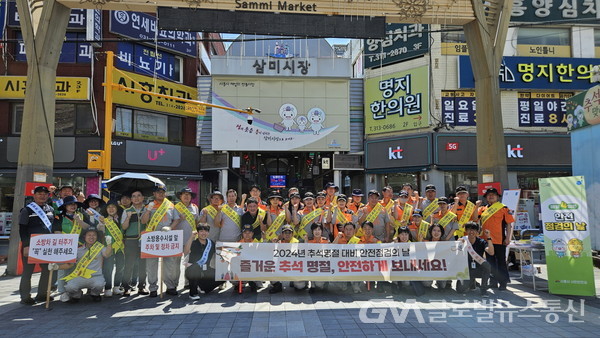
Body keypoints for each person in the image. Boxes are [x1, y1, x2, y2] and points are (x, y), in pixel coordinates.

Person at [141, 184, 181, 297]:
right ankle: (153, 288)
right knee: (151, 264)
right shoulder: (149, 205)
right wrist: (148, 210)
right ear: (154, 194)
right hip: (152, 238)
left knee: (169, 263)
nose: (160, 194)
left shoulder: (170, 205)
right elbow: (143, 221)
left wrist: (170, 227)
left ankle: (170, 286)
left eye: (162, 192)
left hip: (167, 238)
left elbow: (176, 219)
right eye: (158, 192)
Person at [19, 186, 55, 305]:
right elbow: (22, 229)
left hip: (46, 245)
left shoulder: (50, 209)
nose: (42, 196)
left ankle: (42, 294)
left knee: (46, 270)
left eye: (45, 194)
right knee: (28, 271)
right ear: (34, 195)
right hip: (31, 244)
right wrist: (25, 245)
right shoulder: (27, 210)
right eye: (39, 193)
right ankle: (25, 297)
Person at [56, 228, 113, 303]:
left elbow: (107, 254)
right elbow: (70, 265)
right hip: (79, 276)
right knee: (70, 287)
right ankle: (77, 294)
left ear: (97, 237)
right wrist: (56, 267)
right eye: (89, 235)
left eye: (94, 235)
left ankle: (95, 294)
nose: (91, 237)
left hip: (95, 276)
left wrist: (109, 244)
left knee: (99, 285)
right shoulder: (78, 249)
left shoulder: (100, 247)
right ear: (84, 237)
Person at [52, 195, 89, 296]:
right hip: (64, 246)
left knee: (76, 269)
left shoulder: (82, 215)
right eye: (70, 204)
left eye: (74, 204)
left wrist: (79, 221)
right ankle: (62, 291)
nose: (73, 206)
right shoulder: (59, 217)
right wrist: (67, 242)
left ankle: (75, 289)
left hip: (79, 247)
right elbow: (56, 231)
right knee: (63, 269)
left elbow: (88, 228)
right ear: (65, 206)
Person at [479, 188, 515, 290]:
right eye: (489, 195)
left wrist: (508, 238)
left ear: (497, 197)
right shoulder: (482, 209)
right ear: (486, 197)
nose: (491, 196)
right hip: (486, 240)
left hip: (499, 239)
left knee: (501, 262)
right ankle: (493, 282)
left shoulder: (503, 208)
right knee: (490, 263)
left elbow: (509, 225)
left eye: (493, 194)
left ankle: (503, 282)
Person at [184, 223, 223, 300]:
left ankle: (203, 288)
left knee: (223, 275)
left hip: (206, 270)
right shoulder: (194, 243)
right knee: (195, 269)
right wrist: (191, 237)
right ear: (197, 232)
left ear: (208, 233)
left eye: (206, 231)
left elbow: (220, 252)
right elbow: (186, 251)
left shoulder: (211, 243)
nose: (203, 233)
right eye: (201, 231)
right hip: (192, 270)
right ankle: (193, 293)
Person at [121, 190, 148, 296]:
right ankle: (126, 287)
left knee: (143, 265)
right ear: (131, 199)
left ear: (142, 198)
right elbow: (124, 227)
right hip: (130, 240)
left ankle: (142, 287)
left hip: (144, 240)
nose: (136, 198)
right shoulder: (127, 211)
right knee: (128, 264)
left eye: (139, 196)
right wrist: (128, 217)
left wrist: (147, 212)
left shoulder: (147, 210)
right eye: (134, 196)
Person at [456, 222, 494, 297]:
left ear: (477, 232)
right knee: (460, 290)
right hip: (466, 270)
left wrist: (489, 238)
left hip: (478, 269)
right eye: (469, 229)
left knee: (487, 265)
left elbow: (491, 252)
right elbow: (455, 253)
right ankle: (472, 282)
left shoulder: (481, 242)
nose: (471, 232)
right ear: (466, 231)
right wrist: (458, 243)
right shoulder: (462, 240)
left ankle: (483, 289)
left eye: (473, 230)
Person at [99, 199, 124, 297]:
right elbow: (99, 229)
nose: (111, 209)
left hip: (120, 247)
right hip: (108, 246)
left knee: (120, 266)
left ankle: (117, 287)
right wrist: (101, 224)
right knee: (108, 268)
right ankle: (108, 288)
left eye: (113, 207)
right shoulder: (103, 220)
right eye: (109, 207)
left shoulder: (121, 219)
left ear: (117, 209)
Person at [269, 224, 304, 293]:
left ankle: (295, 282)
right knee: (270, 269)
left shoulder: (297, 242)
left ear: (293, 234)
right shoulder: (279, 243)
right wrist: (274, 245)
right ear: (282, 234)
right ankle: (277, 285)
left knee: (300, 286)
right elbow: (272, 256)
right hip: (283, 266)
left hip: (294, 267)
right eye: (285, 233)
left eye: (289, 232)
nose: (287, 235)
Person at [392, 226, 426, 296]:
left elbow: (419, 257)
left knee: (406, 282)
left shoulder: (412, 245)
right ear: (398, 235)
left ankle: (402, 284)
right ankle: (395, 284)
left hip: (409, 269)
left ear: (409, 235)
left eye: (406, 234)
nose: (404, 236)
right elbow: (392, 258)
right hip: (398, 268)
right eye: (402, 234)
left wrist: (419, 243)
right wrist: (395, 246)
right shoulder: (395, 243)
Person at [333, 222, 361, 293]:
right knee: (342, 288)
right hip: (341, 265)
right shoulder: (339, 239)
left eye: (350, 229)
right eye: (346, 229)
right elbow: (331, 248)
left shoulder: (358, 241)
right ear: (343, 230)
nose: (348, 231)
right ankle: (345, 283)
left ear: (354, 230)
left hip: (353, 265)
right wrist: (337, 237)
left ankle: (355, 284)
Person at [305, 223, 329, 293]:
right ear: (312, 231)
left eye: (319, 229)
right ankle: (312, 285)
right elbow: (305, 254)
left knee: (319, 284)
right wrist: (305, 241)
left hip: (322, 265)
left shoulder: (326, 241)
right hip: (312, 265)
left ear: (322, 231)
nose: (317, 232)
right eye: (315, 230)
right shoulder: (309, 240)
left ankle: (325, 282)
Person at [236, 224, 259, 292]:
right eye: (245, 232)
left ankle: (252, 282)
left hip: (253, 267)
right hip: (242, 267)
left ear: (252, 233)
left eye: (249, 232)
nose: (247, 234)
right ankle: (239, 284)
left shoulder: (256, 243)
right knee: (233, 279)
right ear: (242, 233)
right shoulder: (237, 244)